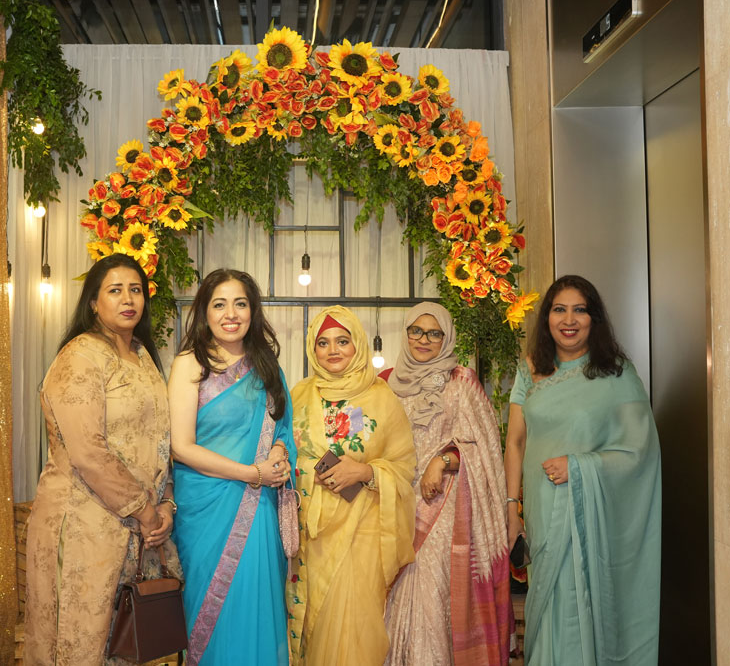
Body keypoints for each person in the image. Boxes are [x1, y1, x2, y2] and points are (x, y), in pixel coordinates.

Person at [25, 253, 181, 665]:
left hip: (139, 529)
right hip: (84, 526)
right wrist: (145, 511)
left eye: (136, 290)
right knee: (80, 644)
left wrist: (166, 504)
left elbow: (161, 441)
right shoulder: (80, 357)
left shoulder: (142, 356)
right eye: (115, 290)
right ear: (93, 302)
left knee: (130, 643)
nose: (128, 299)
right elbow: (88, 451)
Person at [504, 275, 662, 665]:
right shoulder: (530, 369)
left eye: (580, 310)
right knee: (547, 605)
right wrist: (511, 508)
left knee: (577, 605)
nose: (569, 319)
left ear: (594, 319)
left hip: (591, 513)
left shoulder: (616, 373)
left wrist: (579, 467)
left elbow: (639, 452)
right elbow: (515, 442)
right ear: (547, 317)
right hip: (542, 511)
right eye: (559, 309)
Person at [168, 269, 296, 666]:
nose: (231, 314)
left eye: (240, 304)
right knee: (210, 613)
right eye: (219, 304)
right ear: (204, 312)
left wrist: (278, 451)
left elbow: (283, 427)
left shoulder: (266, 365)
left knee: (256, 607)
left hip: (259, 511)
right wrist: (252, 474)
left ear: (252, 310)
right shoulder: (190, 364)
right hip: (206, 510)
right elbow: (181, 447)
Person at [381, 302, 513, 665]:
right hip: (393, 506)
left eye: (434, 333)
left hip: (444, 510)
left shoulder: (462, 382)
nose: (423, 339)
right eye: (416, 331)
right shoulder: (385, 383)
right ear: (406, 333)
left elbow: (484, 448)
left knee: (432, 595)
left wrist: (443, 461)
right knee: (390, 601)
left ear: (447, 337)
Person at [286, 305, 417, 666]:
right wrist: (307, 469)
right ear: (312, 349)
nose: (333, 350)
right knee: (312, 625)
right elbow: (279, 451)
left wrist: (364, 472)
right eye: (323, 342)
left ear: (358, 343)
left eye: (342, 341)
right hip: (310, 536)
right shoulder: (298, 395)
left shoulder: (381, 397)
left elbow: (404, 466)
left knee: (353, 630)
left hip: (362, 532)